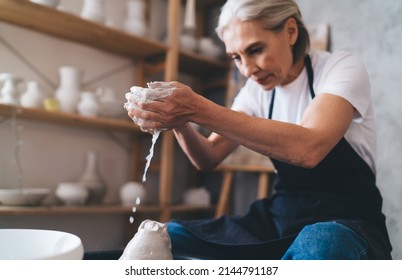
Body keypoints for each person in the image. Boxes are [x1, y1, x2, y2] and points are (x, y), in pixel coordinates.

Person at [127, 0, 392, 259]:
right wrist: (179, 122)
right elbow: (208, 156)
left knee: (321, 242)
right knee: (170, 236)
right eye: (236, 57)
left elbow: (309, 148)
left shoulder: (340, 68)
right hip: (283, 215)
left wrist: (196, 107)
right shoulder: (256, 91)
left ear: (290, 31)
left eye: (255, 50)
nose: (247, 70)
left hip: (347, 218)